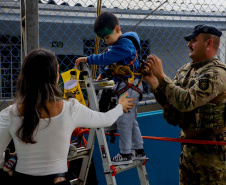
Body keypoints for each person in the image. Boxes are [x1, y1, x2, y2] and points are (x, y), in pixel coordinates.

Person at [0, 48, 135, 185]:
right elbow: (106, 119)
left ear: (24, 77)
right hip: (57, 180)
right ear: (55, 76)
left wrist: (7, 164)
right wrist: (120, 107)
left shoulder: (9, 114)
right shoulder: (71, 109)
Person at [144, 24, 226, 184]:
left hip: (212, 156)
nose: (189, 44)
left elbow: (186, 102)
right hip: (189, 150)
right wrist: (153, 82)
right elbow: (172, 102)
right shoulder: (185, 70)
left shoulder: (217, 74)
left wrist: (161, 77)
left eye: (194, 40)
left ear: (209, 43)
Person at [75, 12, 146, 165]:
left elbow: (108, 58)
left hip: (130, 87)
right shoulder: (118, 47)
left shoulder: (125, 44)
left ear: (117, 29)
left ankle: (126, 154)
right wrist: (103, 74)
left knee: (124, 120)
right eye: (103, 39)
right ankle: (138, 150)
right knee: (131, 120)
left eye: (107, 37)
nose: (106, 42)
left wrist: (88, 59)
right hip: (130, 87)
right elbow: (113, 65)